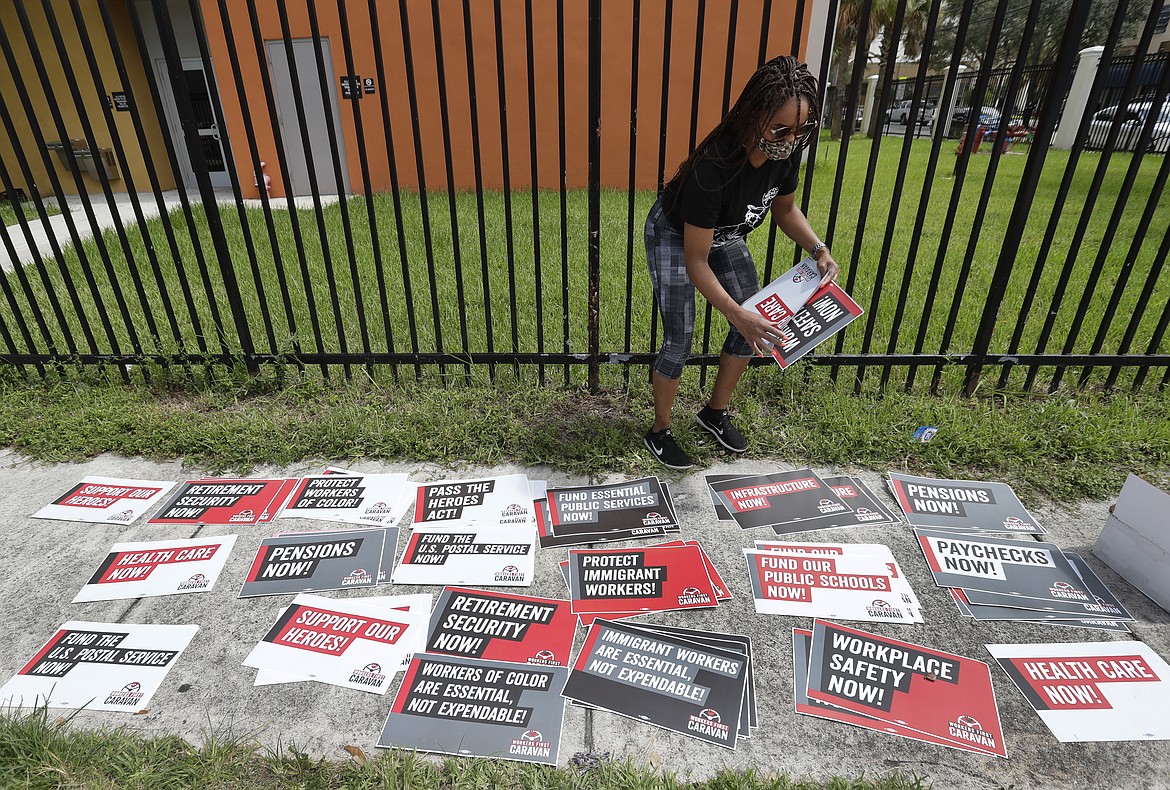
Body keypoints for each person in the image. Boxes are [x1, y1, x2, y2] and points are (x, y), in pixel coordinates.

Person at [643, 55, 839, 470]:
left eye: (801, 130)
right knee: (681, 338)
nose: (789, 140)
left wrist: (818, 248)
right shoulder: (714, 167)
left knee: (755, 323)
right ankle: (660, 430)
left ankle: (714, 413)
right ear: (754, 116)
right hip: (677, 234)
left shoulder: (786, 154)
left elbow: (786, 211)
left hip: (724, 236)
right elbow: (696, 260)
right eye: (780, 129)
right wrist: (735, 312)